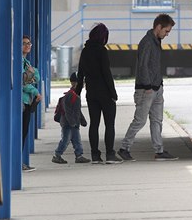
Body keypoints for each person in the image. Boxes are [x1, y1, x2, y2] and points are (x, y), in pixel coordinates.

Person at [118, 14, 178, 162]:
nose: (167, 34)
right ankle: (124, 148)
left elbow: (153, 66)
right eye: (166, 31)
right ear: (158, 27)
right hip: (146, 89)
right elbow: (143, 65)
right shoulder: (147, 42)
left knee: (157, 120)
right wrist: (147, 86)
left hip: (156, 88)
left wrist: (159, 85)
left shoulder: (156, 41)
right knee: (140, 120)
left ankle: (159, 151)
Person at [75, 23, 121, 164]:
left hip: (91, 93)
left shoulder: (85, 51)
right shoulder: (102, 51)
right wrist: (113, 93)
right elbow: (106, 73)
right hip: (105, 93)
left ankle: (95, 155)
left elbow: (80, 74)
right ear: (103, 37)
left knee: (94, 124)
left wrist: (77, 92)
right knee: (109, 124)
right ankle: (110, 154)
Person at [52, 73, 91, 164]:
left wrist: (82, 120)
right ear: (75, 83)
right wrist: (72, 122)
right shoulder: (70, 95)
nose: (83, 85)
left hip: (74, 123)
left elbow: (77, 110)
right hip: (68, 123)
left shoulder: (75, 94)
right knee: (65, 140)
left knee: (77, 140)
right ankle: (57, 155)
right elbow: (67, 111)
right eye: (82, 83)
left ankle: (79, 155)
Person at [22, 35, 42, 172]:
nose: (28, 45)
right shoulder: (19, 62)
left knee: (24, 131)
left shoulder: (26, 63)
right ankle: (17, 162)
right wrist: (35, 91)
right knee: (21, 132)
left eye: (29, 43)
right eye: (24, 43)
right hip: (22, 101)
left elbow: (37, 77)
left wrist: (31, 76)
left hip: (27, 101)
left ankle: (19, 161)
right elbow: (23, 82)